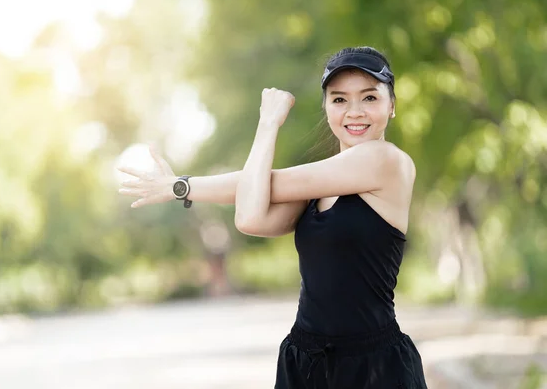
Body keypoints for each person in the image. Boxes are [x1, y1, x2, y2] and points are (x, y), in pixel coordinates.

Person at [118, 46, 428, 388]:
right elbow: (251, 215)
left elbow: (263, 187)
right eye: (339, 100)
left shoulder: (388, 161)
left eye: (369, 98)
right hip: (305, 362)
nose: (355, 112)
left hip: (372, 369)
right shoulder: (318, 182)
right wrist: (182, 185)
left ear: (392, 105)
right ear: (326, 108)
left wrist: (267, 124)